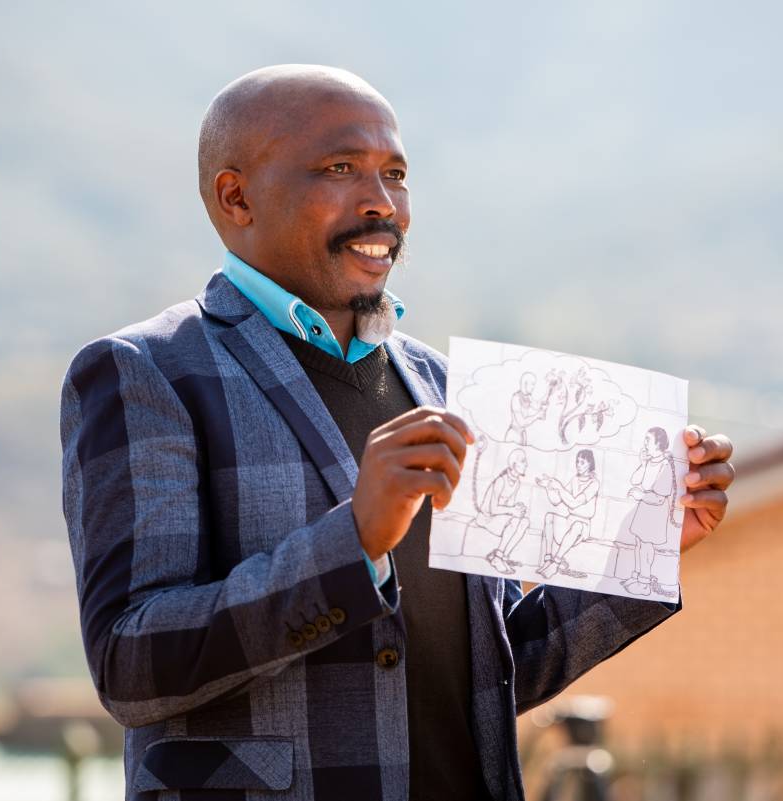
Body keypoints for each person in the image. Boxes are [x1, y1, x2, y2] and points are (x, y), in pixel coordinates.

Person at [59, 64, 735, 801]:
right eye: (340, 168)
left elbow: (493, 671)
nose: (382, 202)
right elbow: (131, 665)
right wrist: (352, 542)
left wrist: (642, 549)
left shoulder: (445, 386)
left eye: (396, 174)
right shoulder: (145, 371)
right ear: (236, 197)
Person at [621, 427, 679, 596]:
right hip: (644, 510)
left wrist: (641, 495)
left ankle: (645, 583)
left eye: (648, 440)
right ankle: (637, 576)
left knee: (646, 546)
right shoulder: (649, 462)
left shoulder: (665, 465)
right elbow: (635, 480)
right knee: (639, 543)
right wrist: (642, 462)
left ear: (658, 444)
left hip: (655, 513)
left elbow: (660, 498)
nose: (645, 443)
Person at [537, 449, 601, 579]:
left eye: (582, 462)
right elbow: (556, 500)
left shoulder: (594, 483)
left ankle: (556, 563)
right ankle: (548, 559)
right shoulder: (574, 480)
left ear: (590, 464)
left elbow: (574, 503)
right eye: (577, 461)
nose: (578, 465)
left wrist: (559, 487)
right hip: (568, 521)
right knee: (549, 516)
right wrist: (548, 487)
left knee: (577, 525)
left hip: (582, 525)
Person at [481, 448, 532, 574]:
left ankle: (503, 556)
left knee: (525, 521)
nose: (526, 464)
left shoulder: (516, 482)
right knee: (515, 520)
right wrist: (512, 511)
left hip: (500, 517)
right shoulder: (501, 481)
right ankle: (497, 558)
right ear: (514, 465)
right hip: (487, 517)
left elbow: (509, 506)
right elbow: (493, 509)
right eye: (523, 461)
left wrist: (517, 508)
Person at [504, 372, 546, 444]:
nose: (533, 387)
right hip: (514, 435)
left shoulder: (528, 396)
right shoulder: (516, 398)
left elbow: (537, 406)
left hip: (522, 435)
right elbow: (521, 422)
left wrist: (548, 393)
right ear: (525, 384)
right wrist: (537, 416)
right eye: (532, 384)